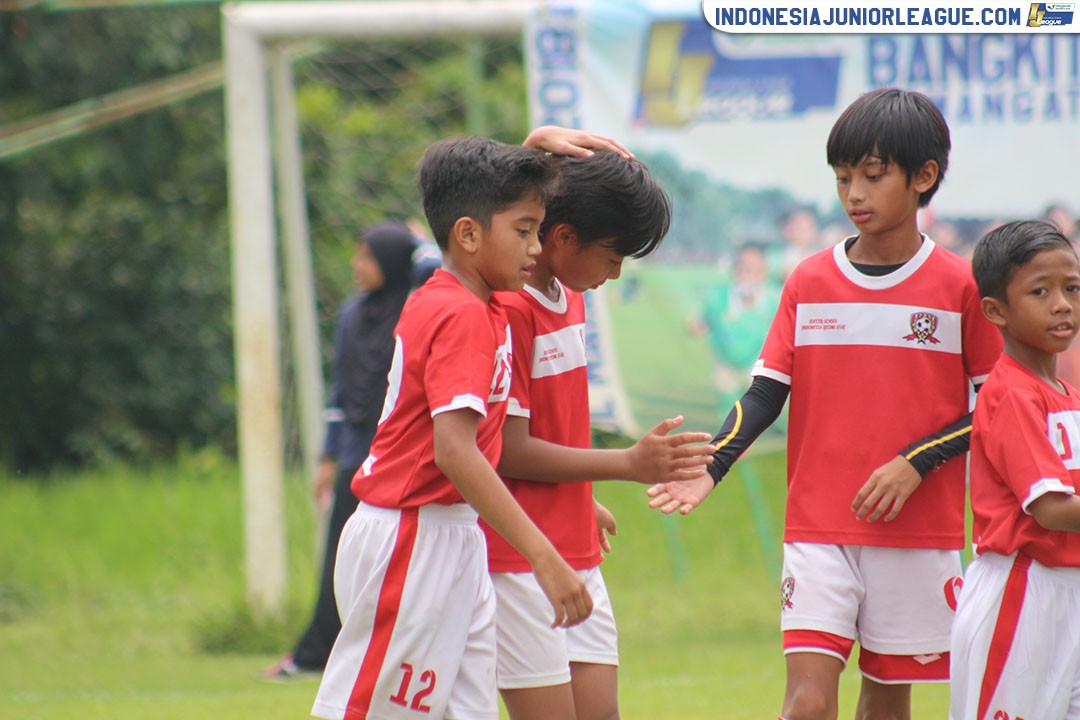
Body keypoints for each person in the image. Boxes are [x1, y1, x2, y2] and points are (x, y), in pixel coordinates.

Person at [647, 87, 1003, 720]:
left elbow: (993, 408)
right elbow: (766, 392)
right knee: (807, 703)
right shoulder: (809, 280)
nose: (853, 195)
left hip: (917, 533)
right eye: (842, 179)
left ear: (924, 178)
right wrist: (713, 465)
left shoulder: (959, 286)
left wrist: (914, 462)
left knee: (886, 703)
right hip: (817, 528)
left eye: (871, 176)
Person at [311, 135, 591, 720]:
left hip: (452, 535)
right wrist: (542, 554)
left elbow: (476, 188)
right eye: (524, 231)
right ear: (467, 235)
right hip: (415, 535)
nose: (537, 248)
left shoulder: (475, 301)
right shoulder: (462, 313)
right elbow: (455, 452)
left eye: (538, 230)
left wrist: (532, 148)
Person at [486, 149, 715, 720]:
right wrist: (627, 465)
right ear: (562, 238)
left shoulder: (572, 298)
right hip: (520, 559)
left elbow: (554, 423)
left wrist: (580, 499)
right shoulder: (510, 311)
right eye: (613, 257)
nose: (615, 273)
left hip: (576, 548)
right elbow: (509, 450)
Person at [261, 221, 429, 680]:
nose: (357, 267)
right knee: (341, 559)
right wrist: (327, 456)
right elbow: (339, 390)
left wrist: (421, 243)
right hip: (357, 456)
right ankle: (319, 652)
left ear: (393, 263)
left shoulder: (415, 307)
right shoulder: (354, 314)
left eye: (368, 258)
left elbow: (439, 267)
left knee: (404, 564)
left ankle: (394, 654)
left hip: (400, 460)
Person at [950, 220, 1080, 720]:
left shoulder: (1065, 397)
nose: (1062, 303)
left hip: (1067, 590)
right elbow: (1049, 508)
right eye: (1040, 291)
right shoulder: (1010, 393)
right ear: (995, 311)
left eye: (1071, 288)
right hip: (1022, 592)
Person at [689, 242, 782, 420]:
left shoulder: (772, 298)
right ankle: (729, 437)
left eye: (752, 268)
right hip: (725, 357)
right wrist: (696, 326)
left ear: (763, 272)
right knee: (728, 398)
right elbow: (701, 322)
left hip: (758, 359)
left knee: (758, 400)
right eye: (741, 267)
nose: (745, 273)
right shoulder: (718, 295)